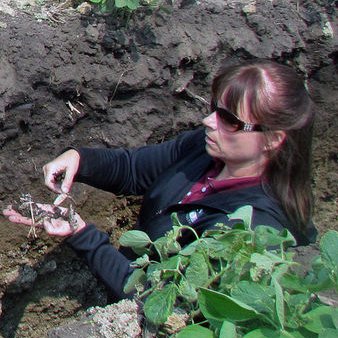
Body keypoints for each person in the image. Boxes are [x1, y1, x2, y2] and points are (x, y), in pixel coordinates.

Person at [3, 59, 317, 301]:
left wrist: (82, 233)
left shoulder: (250, 230)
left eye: (229, 120)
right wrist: (81, 159)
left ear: (273, 140)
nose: (209, 121)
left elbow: (156, 299)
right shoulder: (205, 149)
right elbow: (134, 169)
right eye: (213, 109)